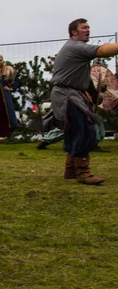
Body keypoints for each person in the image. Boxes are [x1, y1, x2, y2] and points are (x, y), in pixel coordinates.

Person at [50, 18, 118, 185]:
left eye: (89, 27)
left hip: (70, 93)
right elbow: (102, 51)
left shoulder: (76, 52)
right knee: (85, 128)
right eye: (84, 27)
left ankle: (70, 170)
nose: (88, 30)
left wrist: (94, 93)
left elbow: (85, 80)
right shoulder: (75, 47)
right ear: (74, 32)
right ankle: (83, 172)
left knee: (75, 131)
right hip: (67, 94)